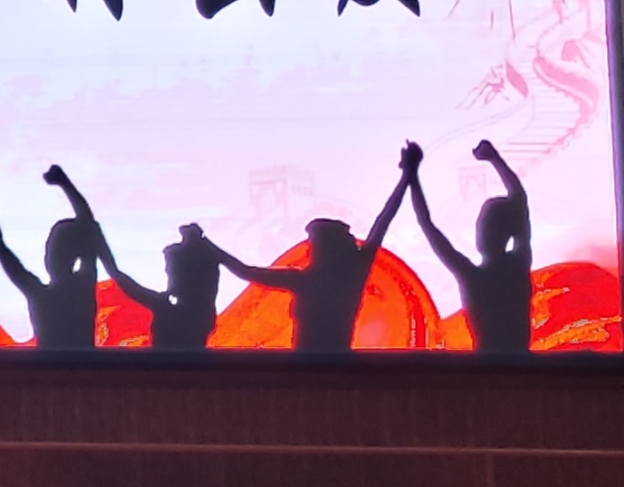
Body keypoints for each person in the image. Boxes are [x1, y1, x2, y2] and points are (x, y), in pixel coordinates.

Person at [223, 144, 419, 356]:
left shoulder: (307, 280)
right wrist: (407, 176)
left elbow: (246, 271)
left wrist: (209, 247)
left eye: (313, 244)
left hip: (310, 366)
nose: (309, 250)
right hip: (330, 365)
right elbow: (384, 221)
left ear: (326, 247)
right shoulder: (352, 274)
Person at [406, 138, 536, 357]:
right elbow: (520, 200)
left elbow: (426, 223)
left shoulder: (474, 276)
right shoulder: (518, 264)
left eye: (484, 225)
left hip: (490, 363)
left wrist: (411, 175)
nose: (480, 230)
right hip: (520, 363)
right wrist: (494, 159)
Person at [0, 164, 106, 350]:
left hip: (51, 367)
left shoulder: (40, 295)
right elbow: (87, 224)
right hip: (85, 367)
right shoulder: (83, 286)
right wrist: (64, 183)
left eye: (51, 249)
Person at [102, 220, 232, 353]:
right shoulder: (202, 315)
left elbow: (129, 286)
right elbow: (127, 284)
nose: (166, 271)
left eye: (171, 270)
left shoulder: (167, 309)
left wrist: (105, 257)